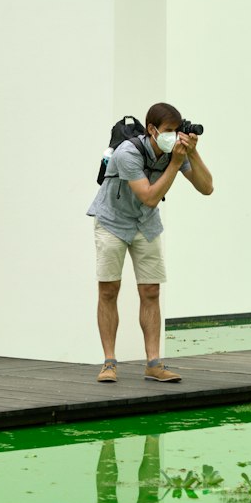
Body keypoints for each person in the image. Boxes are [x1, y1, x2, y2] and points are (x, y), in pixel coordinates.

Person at [87, 102, 213, 383]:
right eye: (169, 131)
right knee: (109, 289)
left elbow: (207, 187)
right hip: (112, 221)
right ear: (152, 130)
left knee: (151, 291)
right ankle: (109, 362)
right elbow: (150, 196)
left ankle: (153, 363)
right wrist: (178, 163)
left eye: (177, 130)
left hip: (145, 223)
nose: (174, 136)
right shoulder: (127, 152)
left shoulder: (174, 152)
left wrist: (194, 152)